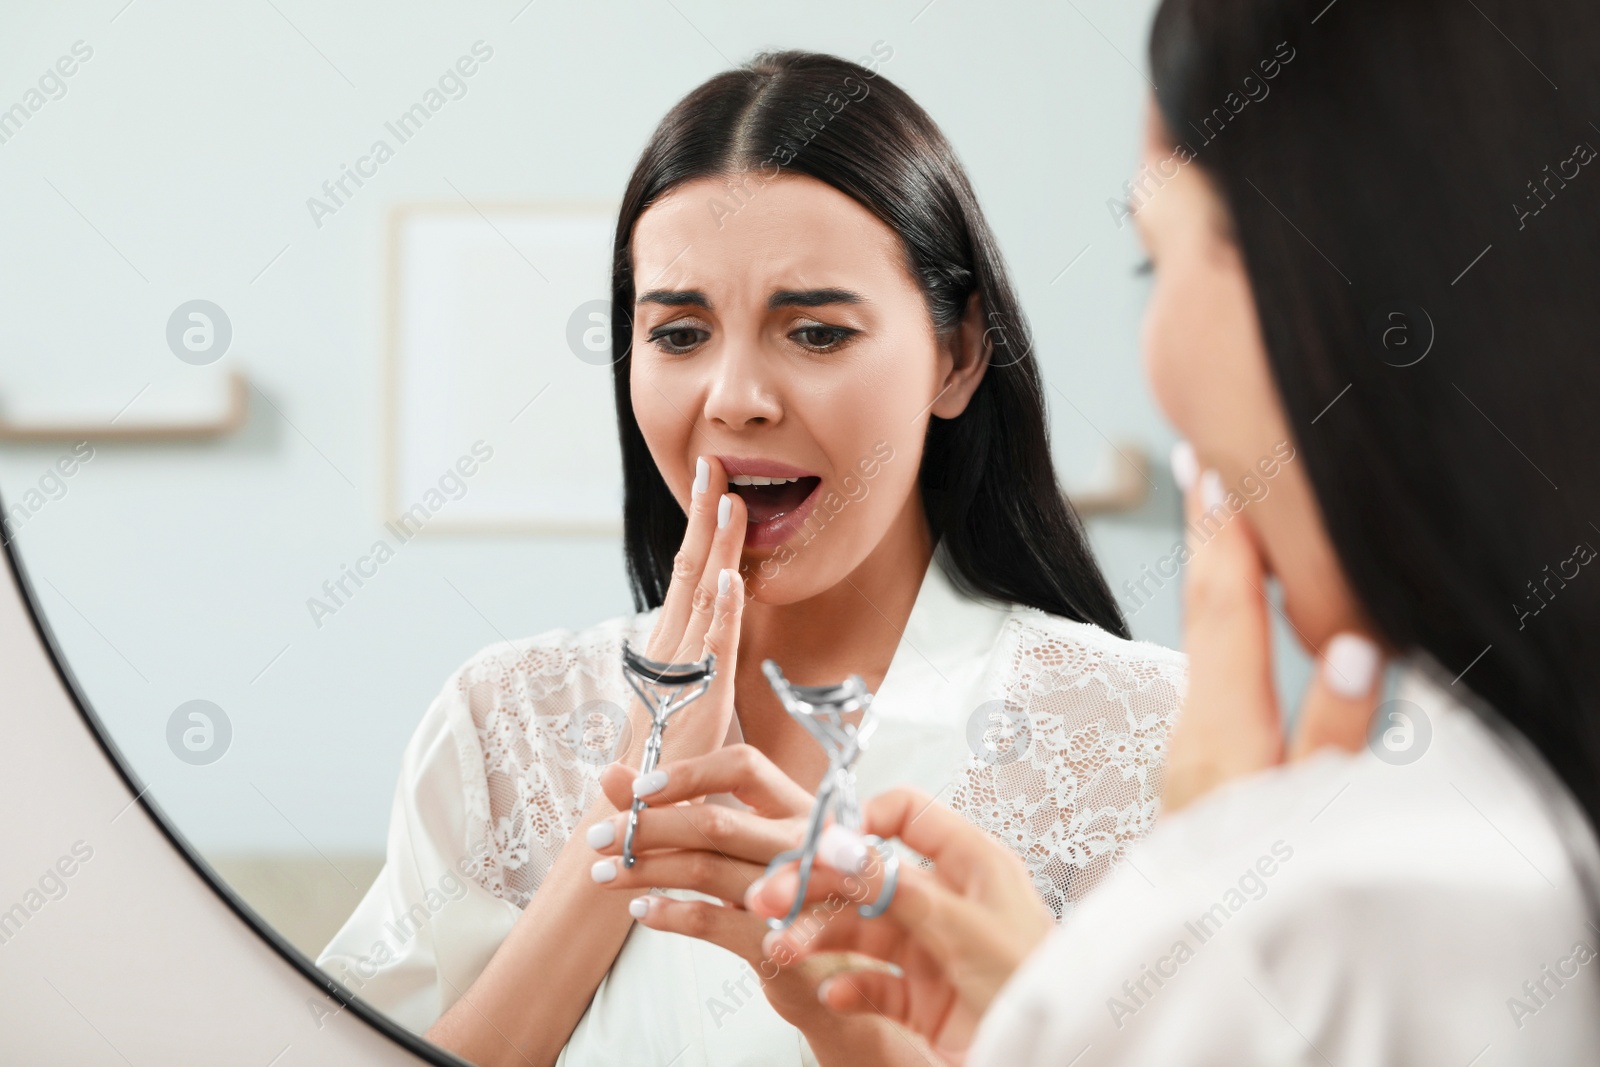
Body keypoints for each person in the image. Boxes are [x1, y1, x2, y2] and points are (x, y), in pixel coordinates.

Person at [745, 1, 1600, 1064]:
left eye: (1158, 257)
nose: (741, 397)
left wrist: (1178, 944)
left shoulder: (1359, 904)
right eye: (675, 329)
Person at [319, 51, 1187, 1067]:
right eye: (679, 333)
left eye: (815, 332)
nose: (734, 396)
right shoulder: (500, 720)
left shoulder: (1139, 732)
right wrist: (636, 813)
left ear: (956, 356)